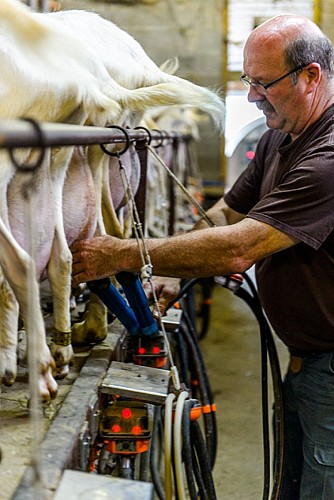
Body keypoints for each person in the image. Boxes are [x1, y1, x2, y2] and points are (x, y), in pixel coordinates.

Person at [71, 14, 334, 499]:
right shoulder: (281, 132)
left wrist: (124, 254)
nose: (253, 96)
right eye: (246, 80)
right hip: (305, 355)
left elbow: (240, 247)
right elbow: (228, 211)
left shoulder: (327, 160)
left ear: (310, 76)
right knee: (294, 479)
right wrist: (169, 272)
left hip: (330, 365)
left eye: (263, 83)